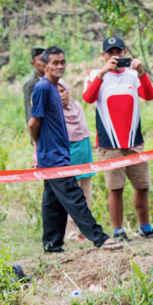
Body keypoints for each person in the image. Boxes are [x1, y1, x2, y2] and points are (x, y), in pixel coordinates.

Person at [28, 46, 119, 252]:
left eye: (62, 62)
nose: (60, 66)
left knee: (52, 202)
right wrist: (39, 147)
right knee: (74, 196)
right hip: (52, 156)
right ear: (44, 65)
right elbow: (33, 123)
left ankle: (52, 244)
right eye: (55, 63)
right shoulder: (42, 87)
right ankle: (99, 238)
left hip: (58, 153)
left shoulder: (55, 86)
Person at [83, 36, 153, 241]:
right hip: (109, 144)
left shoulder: (134, 76)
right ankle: (118, 231)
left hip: (135, 141)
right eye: (110, 53)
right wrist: (102, 73)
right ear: (103, 55)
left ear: (125, 52)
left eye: (118, 52)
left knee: (142, 186)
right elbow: (88, 98)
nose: (115, 56)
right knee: (115, 188)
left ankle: (145, 227)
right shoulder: (95, 75)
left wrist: (142, 73)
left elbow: (149, 95)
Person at [56, 79, 95, 241]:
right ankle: (71, 234)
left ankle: (83, 232)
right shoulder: (55, 112)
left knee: (87, 195)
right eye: (56, 92)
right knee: (73, 197)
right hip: (70, 158)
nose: (61, 95)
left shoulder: (77, 106)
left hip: (85, 155)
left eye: (63, 90)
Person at [23, 47, 45, 123]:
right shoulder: (31, 84)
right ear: (33, 63)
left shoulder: (53, 80)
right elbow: (29, 112)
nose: (44, 63)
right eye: (41, 60)